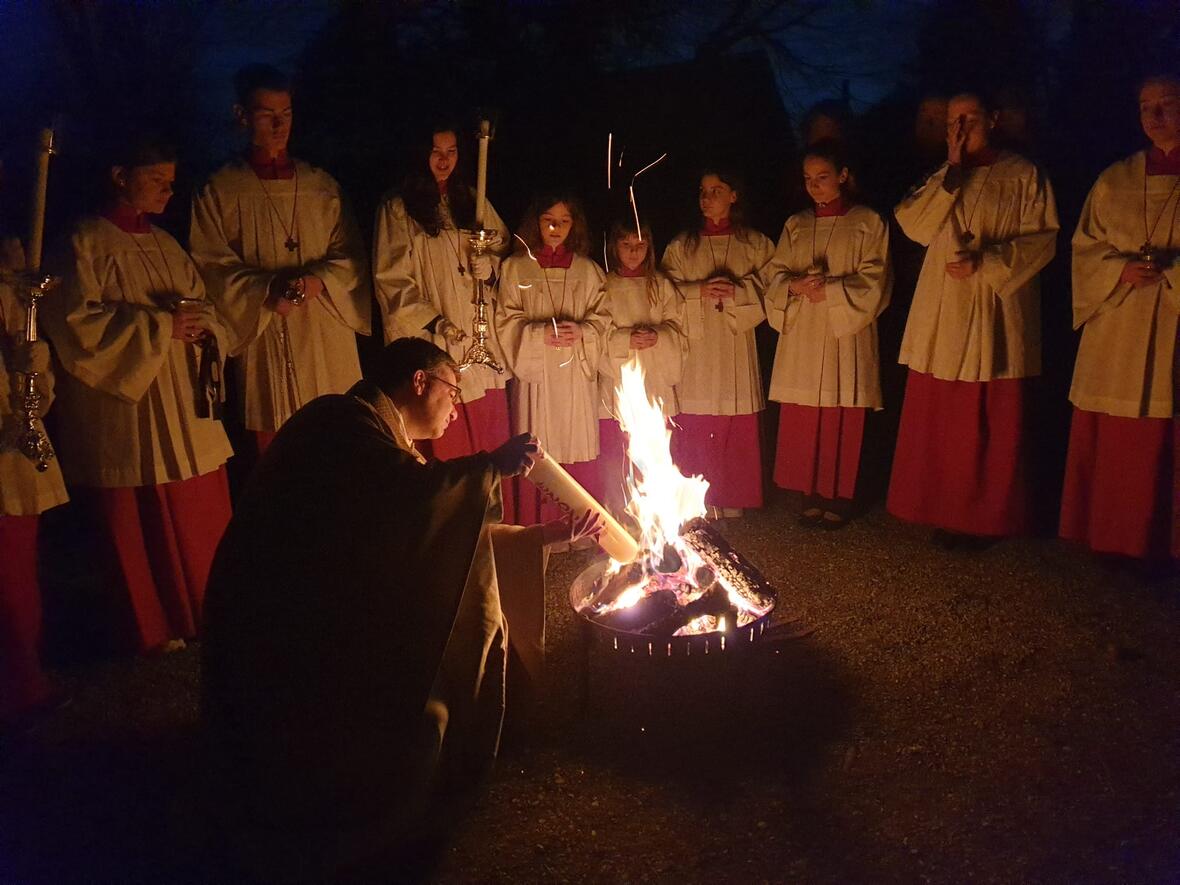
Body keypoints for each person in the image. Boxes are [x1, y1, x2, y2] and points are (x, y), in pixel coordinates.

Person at [201, 337, 598, 879]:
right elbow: (411, 503)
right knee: (416, 694)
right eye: (452, 389)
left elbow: (440, 528)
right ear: (419, 381)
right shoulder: (340, 422)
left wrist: (547, 535)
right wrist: (491, 466)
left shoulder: (382, 440)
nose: (457, 406)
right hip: (291, 622)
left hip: (336, 607)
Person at [42, 134, 234, 654]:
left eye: (172, 182)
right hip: (126, 404)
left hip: (179, 400)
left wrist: (202, 326)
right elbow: (74, 325)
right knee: (136, 511)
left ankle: (208, 607)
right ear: (119, 175)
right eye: (156, 180)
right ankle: (151, 623)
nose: (169, 192)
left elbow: (208, 306)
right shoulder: (82, 241)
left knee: (196, 504)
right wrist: (160, 327)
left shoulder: (167, 243)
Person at [887, 91, 1059, 546]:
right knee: (942, 416)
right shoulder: (943, 176)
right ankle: (940, 510)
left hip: (994, 308)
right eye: (951, 121)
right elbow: (916, 227)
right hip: (944, 307)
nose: (958, 128)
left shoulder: (1024, 174)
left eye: (969, 118)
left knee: (988, 415)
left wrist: (989, 261)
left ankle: (984, 517)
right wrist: (952, 169)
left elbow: (1043, 240)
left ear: (994, 119)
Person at [190, 63, 370, 455]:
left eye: (286, 114)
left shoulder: (321, 187)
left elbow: (352, 256)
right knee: (281, 452)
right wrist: (268, 289)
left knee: (342, 442)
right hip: (267, 325)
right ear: (241, 116)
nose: (279, 125)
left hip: (324, 329)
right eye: (266, 114)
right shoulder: (220, 189)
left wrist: (318, 281)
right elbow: (211, 266)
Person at [1060, 74, 1180, 562]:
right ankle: (1111, 537)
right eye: (1144, 106)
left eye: (1166, 103)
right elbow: (1085, 248)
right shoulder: (1115, 179)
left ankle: (1159, 541)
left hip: (1172, 320)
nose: (1153, 116)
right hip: (1118, 324)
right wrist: (1118, 270)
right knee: (1116, 438)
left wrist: (1172, 271)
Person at [373, 122, 516, 518]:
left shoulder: (472, 200)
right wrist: (434, 322)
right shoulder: (399, 208)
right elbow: (391, 278)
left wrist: (490, 265)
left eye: (452, 151)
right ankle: (449, 523)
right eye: (436, 151)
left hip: (477, 336)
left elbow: (507, 255)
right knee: (445, 432)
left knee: (485, 431)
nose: (444, 160)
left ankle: (493, 524)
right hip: (436, 337)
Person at [764, 140, 892, 528]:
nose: (814, 186)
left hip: (843, 330)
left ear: (843, 175)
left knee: (840, 408)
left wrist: (832, 289)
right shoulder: (797, 224)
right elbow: (775, 272)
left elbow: (876, 278)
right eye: (808, 179)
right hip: (804, 329)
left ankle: (840, 495)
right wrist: (795, 285)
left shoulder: (868, 222)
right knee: (806, 412)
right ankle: (809, 491)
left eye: (822, 177)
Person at [661, 169, 774, 519]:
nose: (707, 197)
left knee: (734, 419)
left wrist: (740, 292)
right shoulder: (682, 245)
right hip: (698, 346)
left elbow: (776, 287)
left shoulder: (755, 244)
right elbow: (663, 293)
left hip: (736, 343)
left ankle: (733, 497)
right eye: (703, 190)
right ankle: (700, 501)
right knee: (697, 421)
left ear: (734, 195)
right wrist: (698, 291)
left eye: (716, 190)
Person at [498, 191, 609, 525]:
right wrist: (537, 334)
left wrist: (585, 332)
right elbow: (504, 319)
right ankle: (539, 530)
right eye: (549, 221)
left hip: (575, 373)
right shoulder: (516, 267)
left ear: (574, 225)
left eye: (563, 221)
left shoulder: (588, 271)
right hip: (537, 373)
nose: (556, 228)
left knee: (576, 445)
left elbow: (603, 318)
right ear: (536, 223)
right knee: (539, 442)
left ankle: (583, 529)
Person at [0, 222, 69, 727]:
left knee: (18, 569)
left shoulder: (9, 294)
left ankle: (27, 680)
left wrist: (34, 366)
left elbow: (35, 391)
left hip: (11, 450)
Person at [598, 219, 686, 518]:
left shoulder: (660, 285)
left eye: (640, 245)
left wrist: (660, 336)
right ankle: (621, 516)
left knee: (654, 450)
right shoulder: (604, 285)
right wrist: (626, 339)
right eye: (626, 245)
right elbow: (596, 332)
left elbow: (679, 327)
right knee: (618, 452)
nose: (634, 252)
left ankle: (657, 518)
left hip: (654, 381)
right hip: (619, 381)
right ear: (614, 246)